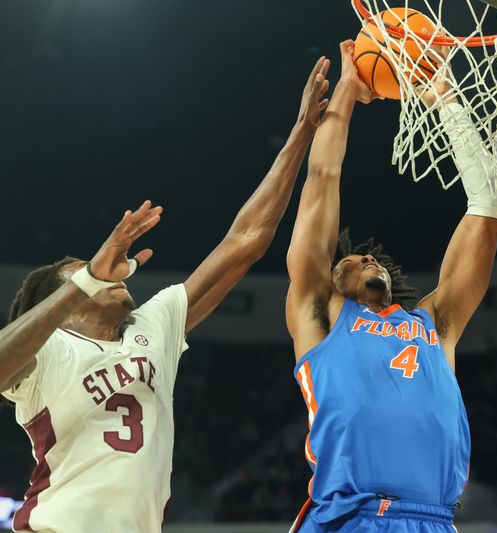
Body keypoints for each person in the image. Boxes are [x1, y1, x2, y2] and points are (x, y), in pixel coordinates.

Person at [0, 57, 331, 533]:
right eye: (89, 280)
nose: (115, 277)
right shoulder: (50, 352)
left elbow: (244, 241)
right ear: (65, 306)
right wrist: (87, 278)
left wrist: (302, 131)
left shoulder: (151, 325)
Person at [285, 40, 497, 532]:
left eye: (372, 258)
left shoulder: (434, 324)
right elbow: (322, 178)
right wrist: (347, 89)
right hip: (352, 516)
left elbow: (488, 203)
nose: (366, 257)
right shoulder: (321, 314)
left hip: (434, 520)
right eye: (349, 261)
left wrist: (445, 96)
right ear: (331, 280)